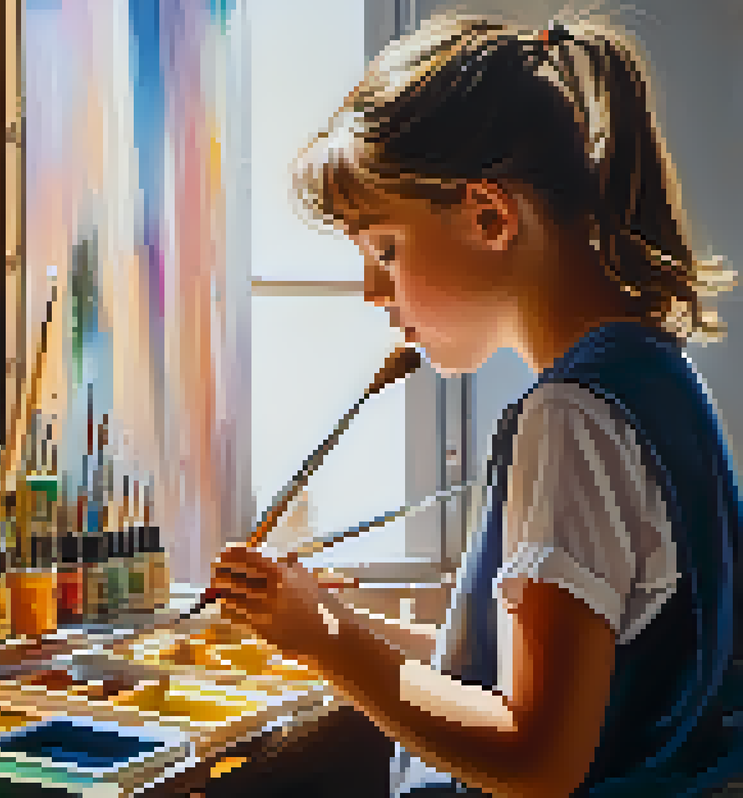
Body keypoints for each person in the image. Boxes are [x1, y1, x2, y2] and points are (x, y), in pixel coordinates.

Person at [210, 12, 743, 798]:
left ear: (490, 217)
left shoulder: (570, 418)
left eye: (384, 248)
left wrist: (323, 639)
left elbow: (535, 758)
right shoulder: (652, 375)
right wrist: (332, 622)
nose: (371, 290)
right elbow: (525, 683)